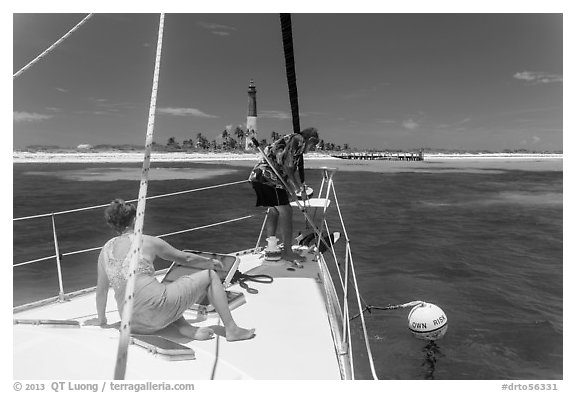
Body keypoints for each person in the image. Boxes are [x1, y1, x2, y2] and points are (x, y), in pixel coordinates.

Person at [84, 199, 255, 342]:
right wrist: (209, 262)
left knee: (159, 293)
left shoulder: (105, 251)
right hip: (159, 312)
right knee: (209, 277)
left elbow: (101, 290)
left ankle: (185, 327)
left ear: (112, 224)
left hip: (133, 323)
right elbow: (185, 258)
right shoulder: (147, 241)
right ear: (135, 220)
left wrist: (101, 319)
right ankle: (232, 329)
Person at [248, 129, 318, 262]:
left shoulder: (294, 143)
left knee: (274, 211)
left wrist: (294, 188)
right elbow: (287, 166)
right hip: (268, 178)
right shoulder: (298, 139)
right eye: (313, 144)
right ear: (309, 139)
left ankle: (271, 247)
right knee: (286, 211)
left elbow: (288, 167)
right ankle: (287, 252)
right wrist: (297, 189)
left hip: (258, 177)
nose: (314, 148)